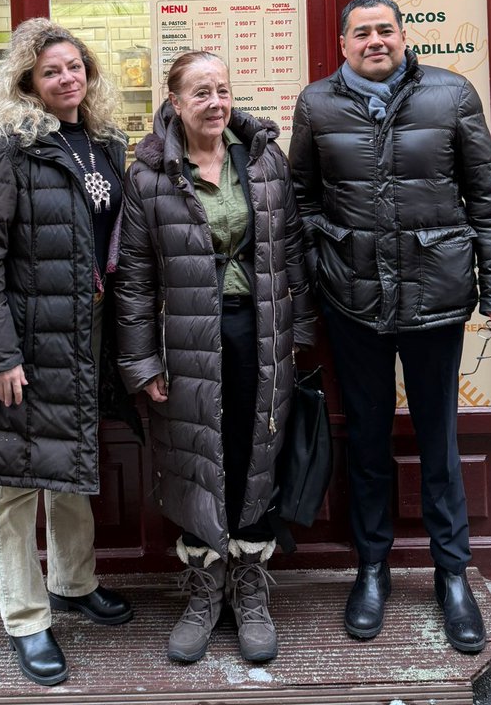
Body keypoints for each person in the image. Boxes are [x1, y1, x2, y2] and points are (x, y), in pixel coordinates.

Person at [289, 0, 491, 655]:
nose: (374, 41)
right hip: (351, 299)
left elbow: (489, 198)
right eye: (360, 32)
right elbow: (300, 198)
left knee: (438, 440)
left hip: (436, 297)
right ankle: (371, 569)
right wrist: (316, 275)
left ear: (404, 35)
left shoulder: (450, 96)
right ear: (341, 44)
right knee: (366, 440)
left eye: (385, 30)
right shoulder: (318, 104)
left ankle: (453, 575)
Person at [115, 51, 316, 665]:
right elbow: (134, 278)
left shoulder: (261, 160)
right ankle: (205, 590)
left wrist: (300, 331)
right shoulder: (149, 175)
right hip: (187, 340)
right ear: (173, 102)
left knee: (255, 451)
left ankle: (250, 585)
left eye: (222, 90)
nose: (214, 102)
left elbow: (291, 249)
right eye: (200, 92)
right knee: (197, 456)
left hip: (260, 333)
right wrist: (142, 363)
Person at [0, 18, 135, 687]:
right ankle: (26, 619)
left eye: (75, 67)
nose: (67, 78)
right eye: (52, 70)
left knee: (72, 457)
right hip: (27, 338)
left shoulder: (107, 142)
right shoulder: (11, 147)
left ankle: (73, 582)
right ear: (28, 81)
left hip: (86, 334)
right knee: (17, 480)